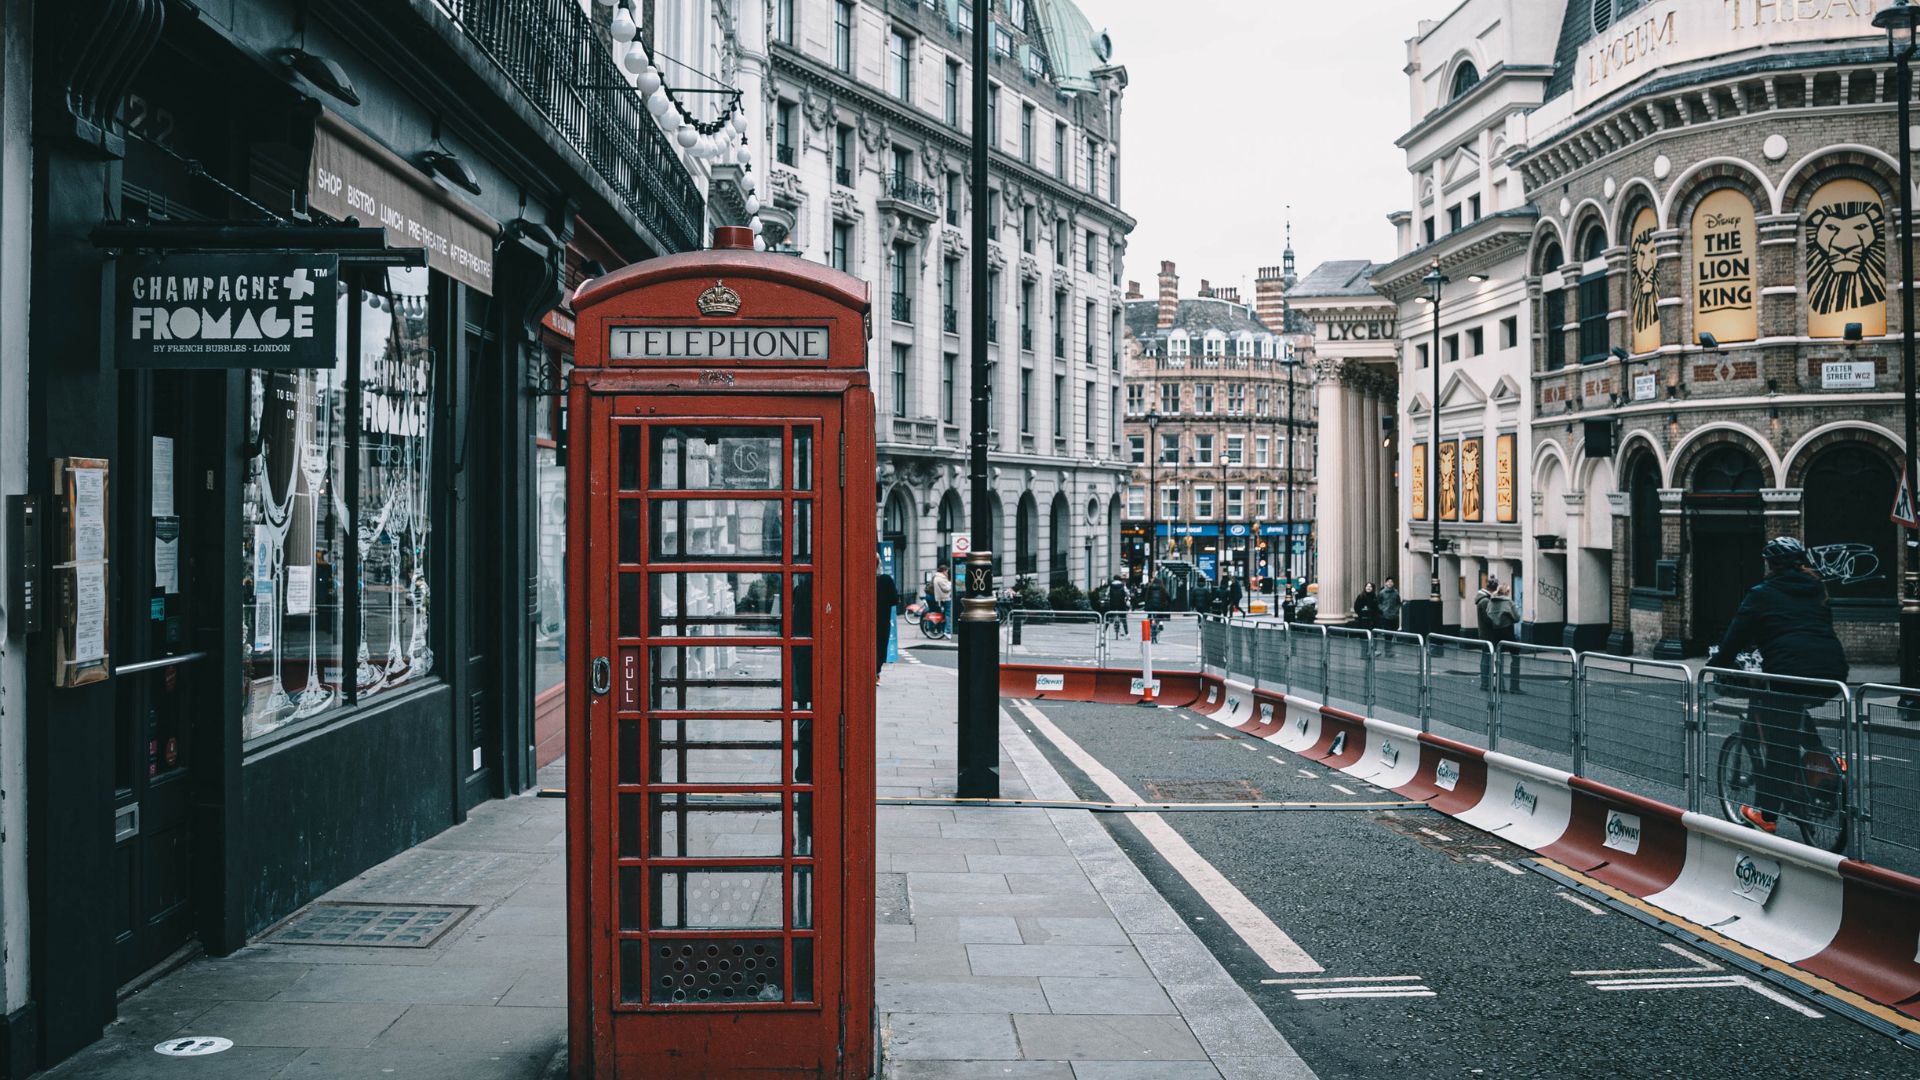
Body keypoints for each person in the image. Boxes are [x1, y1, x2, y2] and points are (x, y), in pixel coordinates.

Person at [1712, 536, 1849, 835]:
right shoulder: (1816, 588)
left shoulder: (1763, 593)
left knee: (1779, 747)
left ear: (1771, 565)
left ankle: (1767, 815)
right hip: (1831, 672)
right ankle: (1823, 762)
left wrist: (1717, 664)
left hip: (1789, 673)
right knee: (1792, 714)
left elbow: (1737, 634)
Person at [1475, 577, 1520, 692]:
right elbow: (1490, 619)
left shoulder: (1488, 601)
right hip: (1489, 634)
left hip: (1487, 633)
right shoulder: (1485, 601)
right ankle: (1487, 684)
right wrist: (1501, 622)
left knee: (1493, 658)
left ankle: (1493, 684)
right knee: (1488, 657)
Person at [875, 571, 898, 684]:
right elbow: (895, 600)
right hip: (882, 620)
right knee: (880, 646)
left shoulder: (862, 579)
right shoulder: (886, 580)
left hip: (866, 621)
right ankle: (876, 673)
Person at [930, 564, 954, 637]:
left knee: (945, 613)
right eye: (946, 571)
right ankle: (947, 630)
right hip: (945, 598)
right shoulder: (941, 578)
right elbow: (946, 588)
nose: (947, 573)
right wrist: (951, 583)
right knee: (949, 614)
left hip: (942, 598)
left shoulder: (938, 577)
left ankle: (944, 628)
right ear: (943, 571)